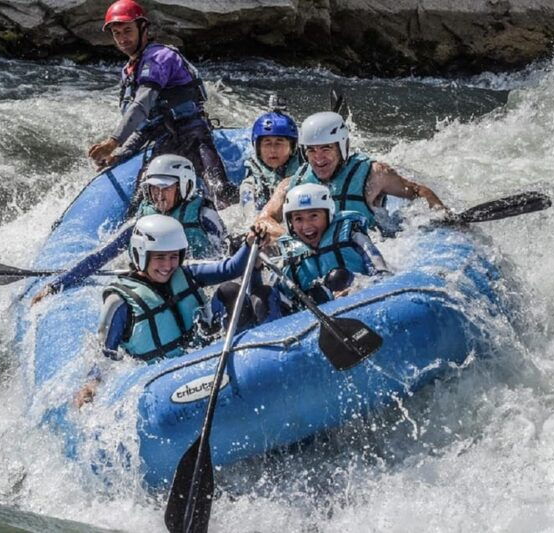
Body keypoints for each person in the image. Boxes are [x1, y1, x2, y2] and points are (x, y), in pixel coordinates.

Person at [74, 214, 265, 406]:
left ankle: (249, 363)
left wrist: (249, 244)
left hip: (205, 354)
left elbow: (230, 269)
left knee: (230, 291)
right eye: (160, 257)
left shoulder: (187, 273)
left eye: (174, 256)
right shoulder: (119, 302)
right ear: (141, 254)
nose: (167, 265)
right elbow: (104, 355)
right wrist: (91, 386)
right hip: (164, 382)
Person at [87, 0, 236, 207]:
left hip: (193, 136)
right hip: (163, 142)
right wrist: (121, 155)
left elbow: (141, 104)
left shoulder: (160, 57)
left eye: (127, 30)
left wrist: (113, 142)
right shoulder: (129, 70)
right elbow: (143, 126)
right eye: (116, 33)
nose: (122, 38)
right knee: (141, 202)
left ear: (143, 28)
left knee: (220, 190)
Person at [256, 111, 445, 240]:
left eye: (326, 148)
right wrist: (293, 240)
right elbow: (263, 219)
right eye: (311, 150)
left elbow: (418, 191)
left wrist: (442, 213)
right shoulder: (293, 184)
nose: (318, 158)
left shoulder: (374, 174)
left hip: (369, 250)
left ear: (342, 147)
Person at [220, 183, 388, 328]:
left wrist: (358, 289)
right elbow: (266, 298)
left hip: (358, 306)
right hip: (308, 323)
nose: (306, 225)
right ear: (291, 223)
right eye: (298, 219)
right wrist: (255, 265)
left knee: (338, 277)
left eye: (314, 216)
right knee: (263, 295)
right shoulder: (288, 251)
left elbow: (382, 275)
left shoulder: (352, 234)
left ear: (328, 215)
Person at [137, 154, 226, 259]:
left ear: (184, 187)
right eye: (154, 188)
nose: (160, 196)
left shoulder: (204, 214)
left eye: (167, 188)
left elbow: (224, 252)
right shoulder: (144, 214)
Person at [239, 109, 303, 224]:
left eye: (279, 143)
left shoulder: (306, 173)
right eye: (267, 143)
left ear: (291, 148)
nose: (273, 150)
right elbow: (251, 223)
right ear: (258, 148)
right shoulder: (249, 186)